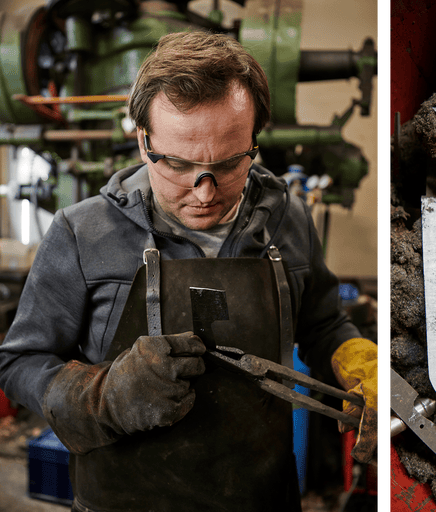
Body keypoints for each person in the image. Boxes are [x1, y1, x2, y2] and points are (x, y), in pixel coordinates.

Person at [0, 31, 378, 511]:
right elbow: (19, 362)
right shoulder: (81, 233)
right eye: (179, 165)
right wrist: (102, 398)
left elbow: (322, 324)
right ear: (144, 141)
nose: (204, 192)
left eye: (229, 164)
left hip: (262, 497)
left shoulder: (289, 220)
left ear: (254, 140)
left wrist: (355, 358)